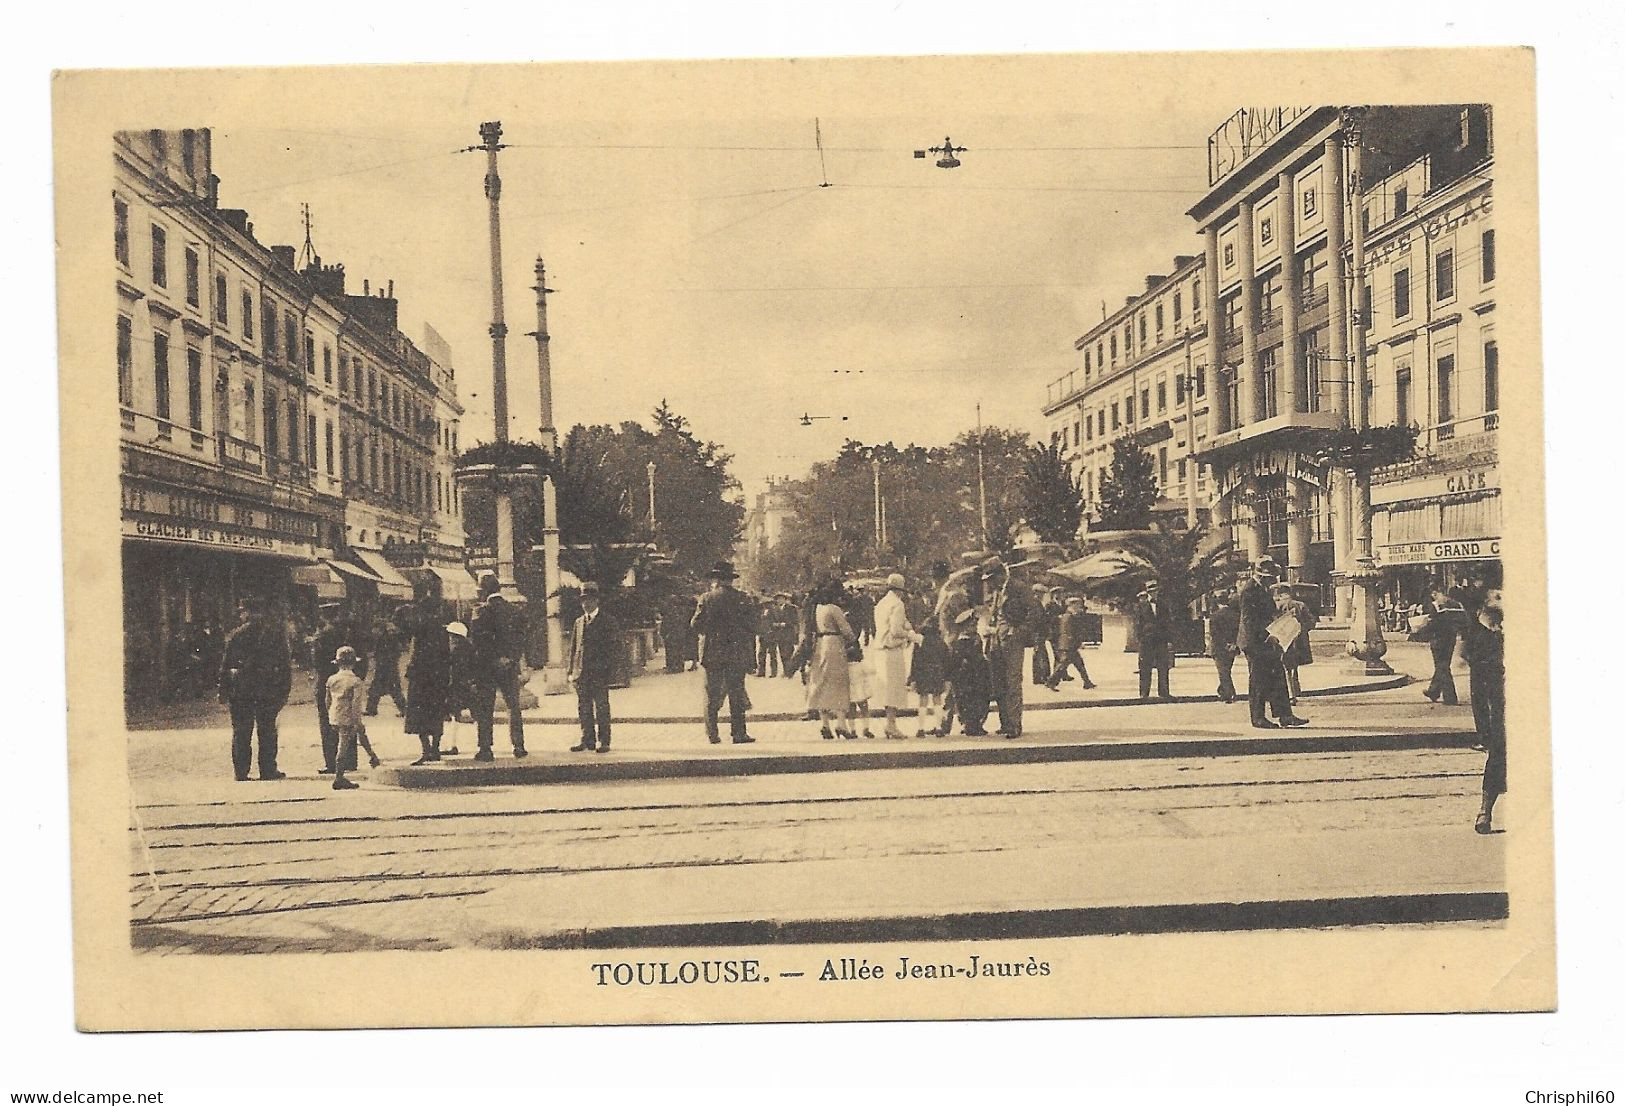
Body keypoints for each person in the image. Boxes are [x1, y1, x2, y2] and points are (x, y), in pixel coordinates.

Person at [217, 596, 291, 782]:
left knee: (241, 731)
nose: (241, 615)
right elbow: (284, 665)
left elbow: (226, 665)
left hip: (241, 690)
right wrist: (284, 690)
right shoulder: (275, 634)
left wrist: (223, 691)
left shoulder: (235, 635)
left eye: (242, 611)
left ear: (248, 612)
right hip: (268, 690)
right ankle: (267, 770)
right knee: (267, 730)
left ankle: (241, 772)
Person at [1235, 558, 1308, 729]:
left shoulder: (1262, 589)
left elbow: (1267, 614)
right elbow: (1249, 621)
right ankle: (1258, 718)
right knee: (1258, 680)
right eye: (1269, 578)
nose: (1272, 581)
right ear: (1260, 576)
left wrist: (1282, 620)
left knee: (1277, 676)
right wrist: (1268, 634)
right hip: (1255, 642)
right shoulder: (1250, 591)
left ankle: (1285, 715)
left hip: (1267, 640)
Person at [691, 561, 758, 744]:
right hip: (736, 652)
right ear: (731, 580)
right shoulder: (743, 598)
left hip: (713, 652)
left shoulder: (706, 598)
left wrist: (711, 631)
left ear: (716, 579)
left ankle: (713, 734)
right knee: (736, 694)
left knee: (712, 694)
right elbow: (752, 627)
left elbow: (695, 625)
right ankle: (738, 734)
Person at [468, 573, 528, 762]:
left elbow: (479, 642)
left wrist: (494, 659)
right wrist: (510, 658)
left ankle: (485, 749)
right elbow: (521, 639)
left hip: (487, 667)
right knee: (513, 705)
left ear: (483, 590)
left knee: (485, 707)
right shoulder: (514, 610)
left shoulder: (481, 612)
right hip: (509, 666)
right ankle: (518, 746)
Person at [1460, 588, 1506, 833]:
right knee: (1498, 757)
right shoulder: (1483, 639)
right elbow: (1478, 691)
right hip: (1504, 709)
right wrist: (1484, 731)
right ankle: (1485, 811)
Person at [982, 557, 1035, 739]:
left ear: (1001, 574)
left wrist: (1019, 632)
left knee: (1013, 682)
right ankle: (1005, 722)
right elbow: (996, 614)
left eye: (991, 578)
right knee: (999, 683)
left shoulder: (1018, 588)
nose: (989, 583)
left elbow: (1034, 613)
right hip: (996, 639)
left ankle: (1015, 725)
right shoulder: (998, 591)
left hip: (1013, 641)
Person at [567, 581, 618, 753]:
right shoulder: (579, 622)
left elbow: (614, 648)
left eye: (589, 600)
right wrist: (571, 671)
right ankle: (587, 739)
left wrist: (609, 670)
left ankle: (604, 741)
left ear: (597, 601)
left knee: (602, 707)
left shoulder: (608, 621)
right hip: (581, 672)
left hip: (599, 672)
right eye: (583, 600)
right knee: (584, 707)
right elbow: (574, 648)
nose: (586, 603)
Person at [806, 579, 857, 739]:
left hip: (820, 645)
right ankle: (841, 723)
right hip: (835, 645)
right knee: (838, 683)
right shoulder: (835, 609)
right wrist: (853, 641)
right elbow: (846, 631)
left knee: (821, 682)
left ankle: (825, 724)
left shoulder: (818, 608)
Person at [873, 573, 922, 739]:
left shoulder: (881, 603)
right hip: (892, 650)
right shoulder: (898, 604)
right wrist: (913, 636)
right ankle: (892, 725)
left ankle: (890, 723)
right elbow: (896, 630)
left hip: (880, 649)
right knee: (894, 690)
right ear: (900, 590)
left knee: (887, 690)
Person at [404, 599, 453, 765]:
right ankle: (436, 748)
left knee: (420, 715)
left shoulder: (419, 629)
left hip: (421, 679)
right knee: (436, 712)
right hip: (438, 678)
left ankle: (426, 750)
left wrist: (410, 672)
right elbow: (447, 656)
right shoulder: (442, 630)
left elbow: (415, 654)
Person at [311, 601, 356, 775]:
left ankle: (332, 762)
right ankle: (350, 760)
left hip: (327, 681)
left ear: (323, 615)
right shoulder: (348, 633)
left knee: (328, 721)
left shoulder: (322, 635)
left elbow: (316, 662)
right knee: (348, 717)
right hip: (348, 678)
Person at [325, 645, 378, 790]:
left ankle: (373, 756)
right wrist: (357, 720)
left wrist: (331, 713)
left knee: (359, 734)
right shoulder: (355, 681)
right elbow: (355, 703)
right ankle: (339, 777)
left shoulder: (332, 679)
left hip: (335, 715)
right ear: (354, 663)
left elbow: (327, 700)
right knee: (344, 744)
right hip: (349, 716)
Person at [1411, 585, 1466, 705]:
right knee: (1443, 665)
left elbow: (1433, 624)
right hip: (1451, 639)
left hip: (1438, 639)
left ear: (1437, 593)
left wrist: (1419, 630)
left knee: (1442, 667)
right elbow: (1464, 622)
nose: (1433, 597)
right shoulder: (1457, 605)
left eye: (1434, 594)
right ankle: (1433, 691)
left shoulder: (1436, 606)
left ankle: (1450, 697)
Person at [946, 608, 991, 737]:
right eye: (972, 625)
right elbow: (958, 662)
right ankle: (969, 724)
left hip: (977, 676)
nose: (975, 627)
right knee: (966, 700)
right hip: (966, 677)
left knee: (979, 699)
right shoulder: (961, 642)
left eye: (975, 625)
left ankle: (975, 724)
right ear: (964, 627)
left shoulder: (975, 638)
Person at [1273, 584, 1318, 704]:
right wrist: (1302, 630)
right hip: (1299, 640)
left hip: (1282, 639)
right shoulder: (1300, 605)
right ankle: (1296, 689)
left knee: (1284, 666)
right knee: (1294, 665)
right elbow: (1312, 622)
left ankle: (1290, 693)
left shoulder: (1276, 606)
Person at [1132, 580, 1175, 701]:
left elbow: (1168, 623)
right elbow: (1137, 624)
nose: (1154, 593)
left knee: (1163, 666)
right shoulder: (1141, 605)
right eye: (1151, 590)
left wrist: (1169, 639)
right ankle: (1144, 693)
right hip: (1147, 641)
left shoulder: (1163, 604)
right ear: (1148, 592)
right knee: (1145, 667)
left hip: (1161, 640)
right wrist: (1140, 638)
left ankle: (1164, 692)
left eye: (1156, 590)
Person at [1046, 595, 1096, 690]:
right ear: (1072, 605)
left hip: (1069, 645)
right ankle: (1051, 682)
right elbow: (1068, 632)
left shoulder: (1070, 615)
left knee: (1079, 664)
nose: (1079, 607)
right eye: (1078, 605)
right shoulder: (1068, 616)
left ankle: (1087, 682)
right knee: (1063, 665)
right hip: (1068, 645)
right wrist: (1076, 643)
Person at [909, 618, 948, 736]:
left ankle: (921, 728)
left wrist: (912, 677)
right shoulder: (941, 642)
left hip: (923, 672)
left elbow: (914, 660)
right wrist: (946, 677)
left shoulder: (921, 640)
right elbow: (946, 659)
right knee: (937, 699)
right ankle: (939, 727)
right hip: (937, 672)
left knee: (923, 700)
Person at [363, 609, 407, 717]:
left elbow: (388, 653)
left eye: (375, 629)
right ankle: (372, 709)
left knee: (390, 689)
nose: (373, 632)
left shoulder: (386, 638)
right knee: (385, 689)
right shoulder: (386, 637)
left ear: (379, 628)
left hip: (386, 667)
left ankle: (372, 709)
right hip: (386, 666)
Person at [1207, 590, 1241, 703]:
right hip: (1232, 647)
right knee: (1226, 670)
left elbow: (1214, 634)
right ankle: (1222, 691)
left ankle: (1229, 694)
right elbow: (1238, 632)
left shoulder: (1214, 616)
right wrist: (1233, 644)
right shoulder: (1236, 615)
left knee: (1223, 672)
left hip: (1219, 647)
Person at [1030, 585, 1057, 687]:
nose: (1042, 595)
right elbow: (1037, 619)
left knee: (1039, 654)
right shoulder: (1035, 603)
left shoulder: (1038, 603)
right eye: (1041, 593)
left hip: (1039, 632)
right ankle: (1043, 677)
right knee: (1040, 654)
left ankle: (1039, 678)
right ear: (1036, 593)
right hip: (1038, 632)